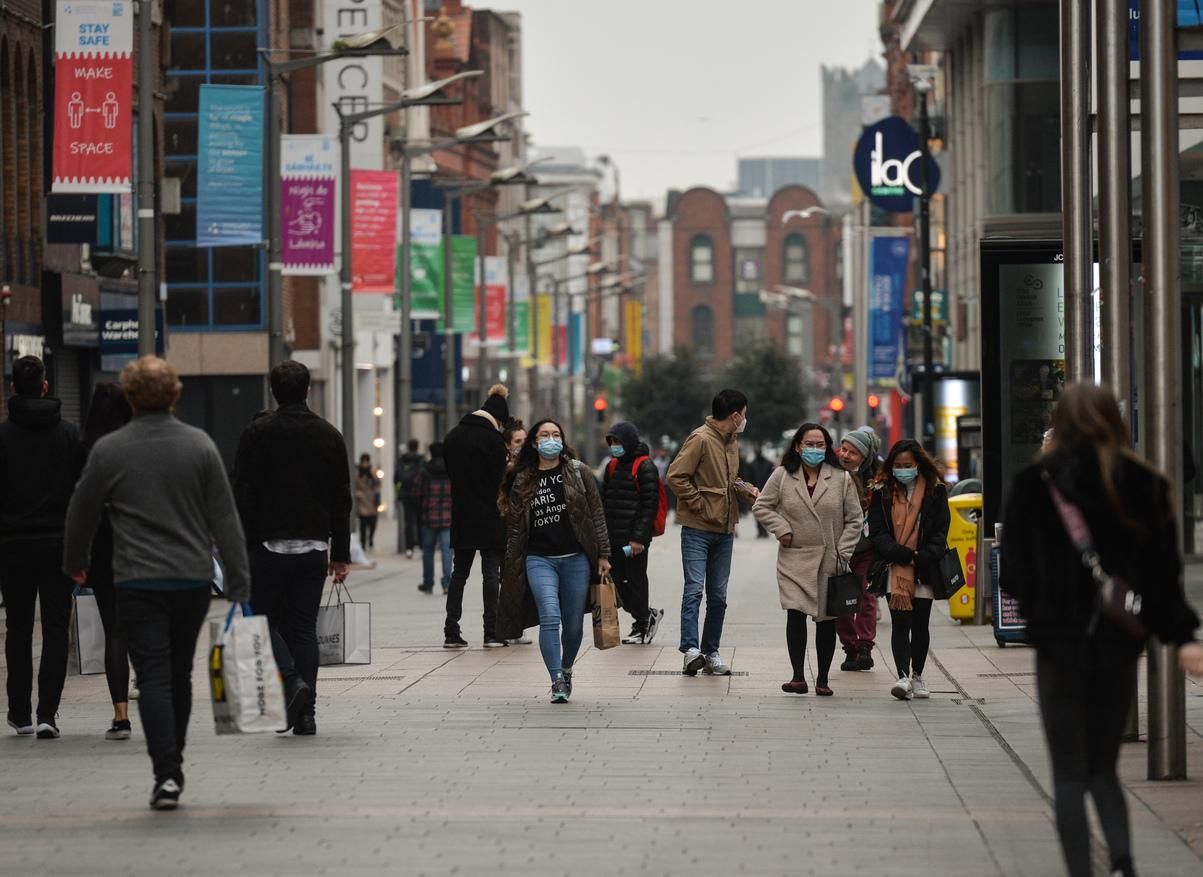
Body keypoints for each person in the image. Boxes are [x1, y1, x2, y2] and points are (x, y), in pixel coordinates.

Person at [1001, 384, 1203, 877]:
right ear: (1117, 420)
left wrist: (1044, 612)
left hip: (1058, 647)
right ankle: (1124, 861)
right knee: (1103, 768)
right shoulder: (1143, 482)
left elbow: (1013, 576)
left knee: (1069, 774)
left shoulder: (1033, 483)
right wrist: (1183, 637)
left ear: (1060, 421)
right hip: (1117, 643)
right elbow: (1162, 576)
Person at [63, 357, 250, 809]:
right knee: (179, 674)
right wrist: (240, 581)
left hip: (137, 579)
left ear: (130, 396)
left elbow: (81, 510)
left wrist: (76, 560)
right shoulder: (200, 446)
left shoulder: (110, 450)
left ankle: (165, 772)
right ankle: (174, 761)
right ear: (175, 394)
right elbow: (225, 520)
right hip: (190, 579)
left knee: (152, 677)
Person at [232, 360, 352, 737]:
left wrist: (244, 541)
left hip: (266, 545)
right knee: (303, 629)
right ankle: (307, 714)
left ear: (272, 390)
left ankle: (290, 679)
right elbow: (341, 499)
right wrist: (341, 553)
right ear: (308, 390)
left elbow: (243, 492)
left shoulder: (256, 433)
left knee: (262, 620)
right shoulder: (329, 435)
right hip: (314, 546)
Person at [497, 419, 611, 703]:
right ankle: (556, 678)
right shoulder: (522, 478)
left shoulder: (578, 471)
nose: (551, 439)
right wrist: (510, 563)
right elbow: (514, 528)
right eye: (545, 435)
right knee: (550, 616)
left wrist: (604, 554)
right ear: (534, 443)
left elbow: (596, 515)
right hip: (539, 559)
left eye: (556, 434)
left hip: (576, 559)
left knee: (573, 626)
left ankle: (567, 667)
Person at [0, 355, 82, 739]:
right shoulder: (68, 435)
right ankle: (48, 711)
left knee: (17, 628)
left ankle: (19, 712)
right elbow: (81, 491)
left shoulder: (2, 436)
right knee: (54, 626)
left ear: (13, 387)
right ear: (46, 386)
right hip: (57, 544)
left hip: (12, 545)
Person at [753, 423, 862, 696]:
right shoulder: (782, 475)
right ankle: (798, 676)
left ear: (827, 448)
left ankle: (823, 679)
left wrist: (843, 551)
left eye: (820, 444)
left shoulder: (841, 478)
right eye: (809, 444)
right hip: (795, 557)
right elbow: (762, 506)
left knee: (826, 619)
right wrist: (782, 529)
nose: (814, 449)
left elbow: (855, 519)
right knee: (795, 613)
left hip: (829, 559)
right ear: (798, 446)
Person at [667, 389, 758, 676]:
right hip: (697, 529)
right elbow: (676, 476)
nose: (745, 419)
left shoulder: (732, 443)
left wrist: (745, 491)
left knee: (718, 595)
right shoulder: (701, 439)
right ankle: (690, 651)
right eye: (744, 414)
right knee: (694, 589)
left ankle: (711, 651)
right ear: (735, 415)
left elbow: (728, 481)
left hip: (724, 529)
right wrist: (699, 505)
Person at [867, 439, 950, 701]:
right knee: (900, 623)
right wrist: (901, 553)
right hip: (895, 566)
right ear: (891, 466)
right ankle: (902, 676)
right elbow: (877, 531)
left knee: (920, 623)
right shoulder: (882, 492)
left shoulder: (935, 491)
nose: (903, 470)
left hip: (924, 566)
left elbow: (941, 530)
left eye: (908, 465)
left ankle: (918, 675)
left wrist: (923, 556)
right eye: (898, 465)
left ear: (918, 465)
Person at [80, 383, 134, 740]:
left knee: (114, 627)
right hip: (137, 548)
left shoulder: (85, 449)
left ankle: (120, 713)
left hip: (100, 548)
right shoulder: (135, 446)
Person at [442, 384, 511, 649]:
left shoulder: (452, 436)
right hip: (490, 517)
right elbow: (500, 481)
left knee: (458, 574)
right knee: (490, 574)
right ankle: (491, 632)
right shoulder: (494, 442)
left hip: (461, 515)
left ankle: (451, 630)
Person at [602, 421, 664, 645]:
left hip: (634, 540)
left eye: (618, 442)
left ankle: (641, 624)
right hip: (613, 538)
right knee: (616, 583)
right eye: (612, 442)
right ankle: (646, 615)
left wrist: (638, 538)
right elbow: (605, 500)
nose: (614, 446)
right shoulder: (612, 466)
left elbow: (650, 505)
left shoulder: (644, 465)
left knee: (636, 580)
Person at [834, 426, 882, 671]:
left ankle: (864, 646)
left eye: (853, 452)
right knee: (840, 599)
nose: (845, 455)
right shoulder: (829, 473)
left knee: (866, 596)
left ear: (864, 458)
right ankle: (849, 647)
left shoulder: (877, 480)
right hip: (838, 548)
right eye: (844, 449)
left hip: (866, 548)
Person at [417, 442, 453, 595]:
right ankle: (446, 584)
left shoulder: (424, 471)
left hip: (429, 517)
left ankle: (428, 583)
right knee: (447, 551)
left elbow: (417, 492)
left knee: (428, 551)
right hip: (447, 516)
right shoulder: (451, 470)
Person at [395, 438, 425, 559]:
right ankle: (422, 546)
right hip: (418, 494)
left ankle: (409, 548)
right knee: (420, 521)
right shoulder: (421, 460)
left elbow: (396, 477)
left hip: (405, 494)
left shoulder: (402, 459)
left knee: (408, 521)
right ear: (417, 446)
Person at [746, 446, 776, 538]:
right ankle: (762, 531)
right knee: (761, 511)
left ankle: (762, 531)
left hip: (759, 491)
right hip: (759, 491)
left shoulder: (753, 464)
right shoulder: (766, 463)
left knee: (760, 512)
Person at [355, 454, 381, 551]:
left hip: (372, 501)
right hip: (362, 501)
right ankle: (363, 543)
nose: (365, 463)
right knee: (363, 525)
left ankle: (370, 539)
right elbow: (354, 485)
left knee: (373, 523)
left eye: (367, 461)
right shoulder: (357, 473)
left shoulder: (372, 472)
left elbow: (378, 484)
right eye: (363, 461)